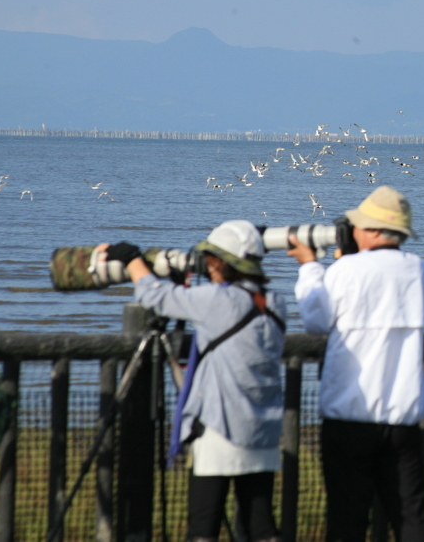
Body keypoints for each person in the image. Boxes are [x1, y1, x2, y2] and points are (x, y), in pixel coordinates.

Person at [101, 220, 286, 542]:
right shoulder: (274, 303)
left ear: (219, 262)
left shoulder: (218, 301)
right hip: (263, 429)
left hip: (221, 426)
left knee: (203, 527)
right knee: (262, 528)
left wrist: (132, 258)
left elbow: (154, 296)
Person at [289, 185, 424, 542]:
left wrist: (310, 267)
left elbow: (316, 321)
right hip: (403, 417)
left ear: (370, 230)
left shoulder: (346, 270)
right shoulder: (419, 270)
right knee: (411, 515)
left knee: (347, 517)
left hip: (350, 415)